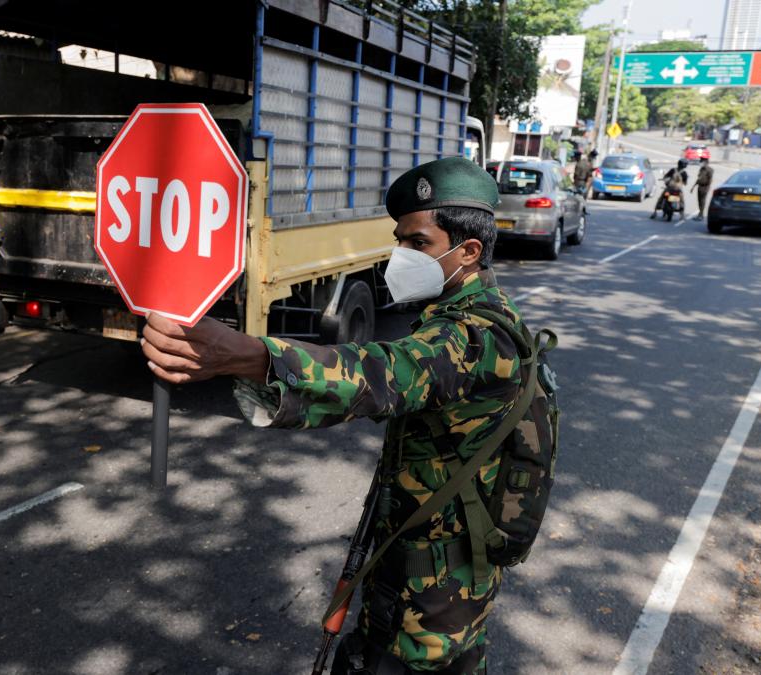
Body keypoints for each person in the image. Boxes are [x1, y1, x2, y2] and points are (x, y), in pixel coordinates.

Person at [142, 157, 527, 673]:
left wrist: (251, 356)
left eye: (418, 244)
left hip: (437, 594)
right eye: (400, 240)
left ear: (470, 251)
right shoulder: (456, 316)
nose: (400, 256)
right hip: (415, 569)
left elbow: (384, 372)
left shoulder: (479, 337)